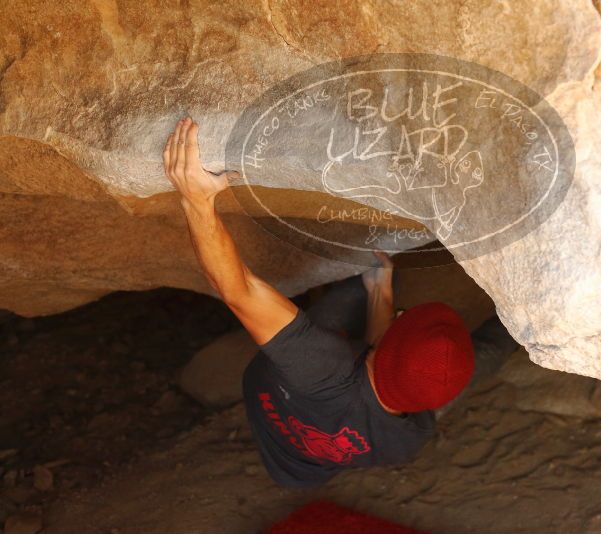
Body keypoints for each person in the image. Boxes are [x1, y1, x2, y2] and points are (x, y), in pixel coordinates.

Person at [162, 117, 476, 487]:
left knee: (345, 295)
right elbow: (384, 368)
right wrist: (381, 291)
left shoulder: (322, 366)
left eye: (399, 317)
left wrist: (196, 200)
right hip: (303, 474)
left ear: (382, 345)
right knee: (481, 349)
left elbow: (240, 291)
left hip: (273, 390)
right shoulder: (409, 441)